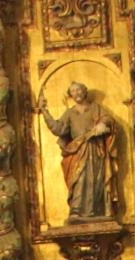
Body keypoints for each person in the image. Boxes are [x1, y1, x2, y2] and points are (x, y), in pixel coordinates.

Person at [38, 82, 116, 221]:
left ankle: (97, 210)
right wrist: (45, 111)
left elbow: (108, 119)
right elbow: (59, 129)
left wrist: (103, 123)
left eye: (78, 90)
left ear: (84, 91)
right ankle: (76, 209)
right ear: (71, 95)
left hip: (95, 150)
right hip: (77, 151)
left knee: (95, 179)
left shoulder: (95, 108)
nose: (76, 93)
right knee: (78, 179)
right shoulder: (70, 113)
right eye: (73, 91)